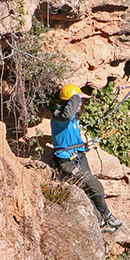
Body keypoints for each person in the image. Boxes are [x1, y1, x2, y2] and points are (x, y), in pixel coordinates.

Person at [51, 83, 121, 233]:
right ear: (70, 102)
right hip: (67, 161)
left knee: (89, 189)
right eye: (78, 102)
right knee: (94, 185)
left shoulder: (73, 118)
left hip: (78, 156)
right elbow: (66, 114)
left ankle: (102, 221)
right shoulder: (60, 116)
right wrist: (76, 96)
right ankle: (106, 218)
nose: (80, 105)